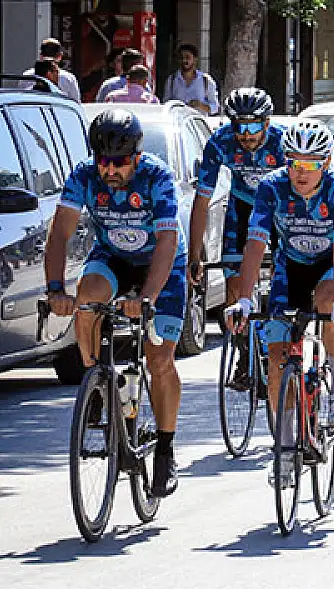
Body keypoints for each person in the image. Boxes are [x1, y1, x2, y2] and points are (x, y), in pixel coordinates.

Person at [45, 110, 187, 497]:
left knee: (159, 359)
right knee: (87, 297)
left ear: (136, 157)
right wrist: (56, 288)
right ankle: (97, 385)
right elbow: (60, 232)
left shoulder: (157, 177)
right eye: (103, 160)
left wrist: (148, 298)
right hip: (114, 258)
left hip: (163, 265)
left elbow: (168, 243)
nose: (109, 169)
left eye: (119, 162)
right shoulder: (84, 175)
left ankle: (166, 449)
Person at [225, 120, 334, 444]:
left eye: (311, 164)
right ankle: (284, 443)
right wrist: (243, 300)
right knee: (276, 357)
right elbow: (255, 244)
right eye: (294, 163)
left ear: (325, 163)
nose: (301, 172)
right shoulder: (271, 187)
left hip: (332, 266)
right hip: (291, 267)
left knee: (327, 303)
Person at [188, 88, 285, 347]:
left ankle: (278, 340)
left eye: (253, 127)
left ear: (266, 122)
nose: (245, 136)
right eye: (239, 127)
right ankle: (244, 349)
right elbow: (202, 201)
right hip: (242, 205)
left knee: (283, 276)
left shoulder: (282, 142)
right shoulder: (220, 142)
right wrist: (194, 256)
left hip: (279, 208)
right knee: (234, 281)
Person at [163, 43, 219, 115]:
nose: (184, 60)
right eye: (181, 58)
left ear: (195, 59)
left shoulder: (206, 80)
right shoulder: (171, 80)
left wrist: (200, 105)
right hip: (176, 123)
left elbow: (215, 107)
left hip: (197, 123)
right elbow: (165, 105)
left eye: (187, 57)